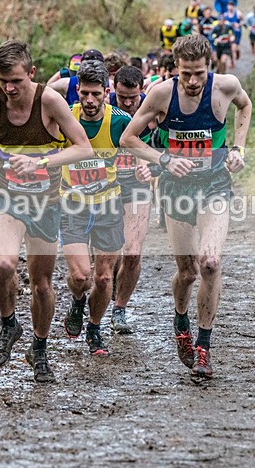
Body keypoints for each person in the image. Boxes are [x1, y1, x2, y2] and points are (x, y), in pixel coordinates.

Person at [119, 34, 252, 381]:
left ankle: (204, 348)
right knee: (188, 272)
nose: (192, 82)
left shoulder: (226, 86)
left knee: (210, 263)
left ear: (210, 66)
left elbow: (245, 105)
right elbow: (128, 139)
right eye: (185, 75)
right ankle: (180, 319)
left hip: (214, 185)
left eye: (198, 74)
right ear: (175, 69)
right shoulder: (161, 94)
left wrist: (238, 148)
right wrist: (163, 158)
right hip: (176, 189)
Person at [0, 40, 93, 382]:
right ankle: (9, 326)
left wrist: (40, 162)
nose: (10, 88)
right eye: (4, 80)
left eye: (17, 81)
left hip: (46, 204)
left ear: (32, 74)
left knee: (41, 285)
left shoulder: (49, 101)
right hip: (7, 199)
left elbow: (83, 148)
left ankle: (39, 348)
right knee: (5, 265)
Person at [60, 60, 130, 355]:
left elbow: (140, 145)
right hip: (73, 205)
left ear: (107, 92)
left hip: (108, 205)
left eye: (96, 94)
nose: (89, 101)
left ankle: (95, 327)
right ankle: (77, 302)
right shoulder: (64, 116)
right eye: (84, 93)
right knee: (80, 277)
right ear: (77, 91)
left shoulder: (120, 121)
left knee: (103, 278)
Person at [107, 66, 151, 334]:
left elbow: (168, 144)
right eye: (121, 96)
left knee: (132, 252)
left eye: (132, 98)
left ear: (141, 92)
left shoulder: (153, 109)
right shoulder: (101, 109)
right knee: (106, 255)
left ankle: (120, 310)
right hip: (106, 186)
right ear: (113, 90)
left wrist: (152, 167)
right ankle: (103, 287)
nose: (127, 102)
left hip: (137, 186)